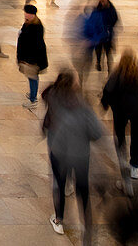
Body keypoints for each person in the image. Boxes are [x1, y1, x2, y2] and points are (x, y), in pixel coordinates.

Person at [41, 68, 104, 242]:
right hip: (81, 155)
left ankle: (59, 219)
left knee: (58, 185)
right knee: (82, 190)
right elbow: (97, 133)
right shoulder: (83, 105)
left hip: (59, 151)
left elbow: (44, 95)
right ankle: (87, 224)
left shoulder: (53, 97)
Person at [100, 48, 138, 180]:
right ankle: (134, 166)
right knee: (137, 138)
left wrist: (104, 105)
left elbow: (107, 91)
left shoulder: (117, 74)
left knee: (120, 135)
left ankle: (122, 157)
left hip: (121, 111)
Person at [16, 4, 48, 108]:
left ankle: (33, 100)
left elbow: (35, 45)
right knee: (31, 77)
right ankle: (33, 94)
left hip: (33, 59)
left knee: (33, 78)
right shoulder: (28, 23)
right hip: (29, 57)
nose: (25, 14)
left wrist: (29, 60)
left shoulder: (36, 27)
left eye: (27, 13)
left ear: (32, 14)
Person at [90, 0, 119, 71]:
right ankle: (98, 62)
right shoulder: (97, 9)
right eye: (101, 1)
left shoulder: (111, 9)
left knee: (108, 54)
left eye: (103, 0)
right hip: (99, 35)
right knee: (98, 50)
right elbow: (92, 19)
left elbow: (115, 19)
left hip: (107, 35)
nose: (102, 2)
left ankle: (110, 69)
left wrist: (108, 27)